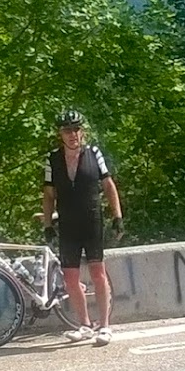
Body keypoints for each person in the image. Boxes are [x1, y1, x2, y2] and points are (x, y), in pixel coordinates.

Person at [42, 110, 124, 346]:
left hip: (92, 220)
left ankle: (105, 326)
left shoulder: (93, 153)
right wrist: (48, 224)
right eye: (67, 130)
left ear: (82, 131)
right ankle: (85, 325)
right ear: (61, 134)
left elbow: (108, 185)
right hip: (67, 222)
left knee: (98, 273)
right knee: (70, 278)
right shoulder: (52, 159)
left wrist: (117, 216)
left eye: (76, 129)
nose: (72, 134)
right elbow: (48, 195)